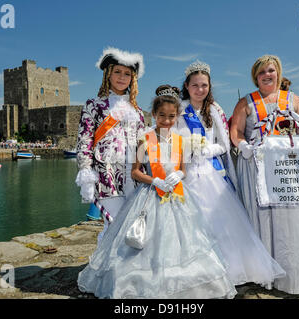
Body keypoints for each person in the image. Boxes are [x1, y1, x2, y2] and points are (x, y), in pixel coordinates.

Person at [77, 85, 237, 299]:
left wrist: (178, 176)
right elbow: (135, 172)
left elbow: (183, 170)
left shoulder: (181, 140)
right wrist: (156, 181)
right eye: (162, 115)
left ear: (177, 116)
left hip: (177, 196)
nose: (167, 120)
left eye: (172, 116)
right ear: (154, 114)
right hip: (151, 194)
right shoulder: (145, 139)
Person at [174, 61, 286, 287]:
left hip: (211, 173)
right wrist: (187, 151)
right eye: (195, 85)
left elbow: (224, 143)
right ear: (186, 86)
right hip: (185, 172)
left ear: (209, 86)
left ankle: (228, 268)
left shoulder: (214, 110)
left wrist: (209, 149)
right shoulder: (177, 109)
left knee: (221, 222)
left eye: (204, 85)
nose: (200, 90)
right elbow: (168, 140)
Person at [229, 55, 299, 295]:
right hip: (257, 167)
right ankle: (260, 273)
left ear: (278, 73)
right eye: (262, 71)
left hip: (289, 170)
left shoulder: (293, 100)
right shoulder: (246, 102)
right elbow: (236, 130)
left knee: (292, 221)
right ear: (256, 76)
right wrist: (243, 146)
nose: (267, 75)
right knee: (261, 218)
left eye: (271, 71)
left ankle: (296, 274)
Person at [76, 47, 146, 244]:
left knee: (131, 225)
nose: (122, 77)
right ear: (108, 74)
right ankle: (105, 270)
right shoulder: (94, 105)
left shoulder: (138, 111)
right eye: (117, 72)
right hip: (105, 174)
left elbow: (143, 145)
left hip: (133, 175)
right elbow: (84, 139)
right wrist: (85, 171)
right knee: (113, 225)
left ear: (133, 79)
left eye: (127, 74)